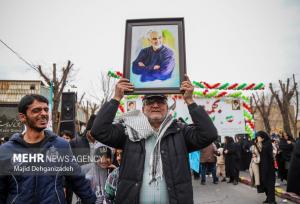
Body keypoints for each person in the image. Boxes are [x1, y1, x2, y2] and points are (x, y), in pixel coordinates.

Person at [90, 76, 218, 203]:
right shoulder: (128, 131)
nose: (155, 105)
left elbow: (209, 134)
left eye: (161, 101)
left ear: (167, 108)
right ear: (143, 109)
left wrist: (190, 100)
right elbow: (98, 131)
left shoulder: (180, 132)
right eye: (150, 102)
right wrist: (116, 98)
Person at [0, 94, 96, 204]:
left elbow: (77, 180)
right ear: (23, 117)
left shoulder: (61, 145)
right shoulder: (5, 150)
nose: (44, 113)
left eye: (46, 110)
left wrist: (92, 201)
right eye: (37, 110)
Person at [256, 131, 276, 204]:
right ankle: (268, 198)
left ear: (263, 137)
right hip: (263, 166)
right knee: (265, 183)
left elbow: (266, 153)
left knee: (270, 184)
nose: (257, 138)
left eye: (258, 137)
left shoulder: (268, 144)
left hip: (269, 167)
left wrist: (259, 144)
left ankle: (272, 200)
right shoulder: (262, 143)